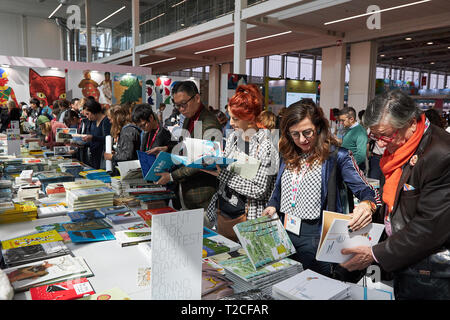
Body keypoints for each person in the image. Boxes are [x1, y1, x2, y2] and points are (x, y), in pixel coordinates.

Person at [340, 90, 450, 300]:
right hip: (404, 259)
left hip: (430, 271)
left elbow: (429, 227)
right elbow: (393, 199)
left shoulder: (442, 154)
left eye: (386, 135)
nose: (380, 144)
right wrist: (369, 205)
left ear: (410, 123)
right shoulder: (401, 149)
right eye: (374, 136)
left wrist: (374, 254)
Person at [262, 100, 380, 278]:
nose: (302, 139)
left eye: (307, 132)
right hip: (285, 234)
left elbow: (367, 190)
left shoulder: (337, 157)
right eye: (295, 134)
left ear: (318, 127)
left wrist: (366, 204)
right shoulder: (287, 154)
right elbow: (279, 189)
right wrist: (272, 204)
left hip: (316, 237)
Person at [204, 84, 279, 241]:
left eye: (235, 118)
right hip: (223, 213)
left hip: (249, 218)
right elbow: (229, 166)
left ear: (250, 118)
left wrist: (222, 174)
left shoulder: (266, 146)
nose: (230, 123)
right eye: (230, 116)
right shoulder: (233, 138)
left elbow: (259, 190)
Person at [155, 81, 222, 228]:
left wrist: (172, 176)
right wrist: (166, 149)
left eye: (183, 104)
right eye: (177, 105)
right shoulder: (190, 119)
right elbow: (185, 148)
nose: (181, 109)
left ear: (197, 98)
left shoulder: (209, 124)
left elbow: (202, 161)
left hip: (202, 196)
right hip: (186, 193)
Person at [338, 106, 369, 213]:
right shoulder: (349, 129)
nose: (341, 123)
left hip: (352, 169)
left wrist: (347, 165)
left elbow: (360, 154)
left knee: (349, 197)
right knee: (346, 197)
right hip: (346, 168)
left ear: (351, 119)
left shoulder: (360, 131)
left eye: (343, 120)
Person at [103, 105, 141, 175]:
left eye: (110, 119)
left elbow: (128, 155)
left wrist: (112, 157)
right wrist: (117, 153)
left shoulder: (127, 131)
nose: (110, 122)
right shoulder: (127, 130)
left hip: (131, 171)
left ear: (116, 118)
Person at [82, 98, 111, 169]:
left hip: (102, 157)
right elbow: (92, 140)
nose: (87, 116)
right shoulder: (92, 122)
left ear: (94, 111)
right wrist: (81, 144)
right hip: (94, 156)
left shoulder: (106, 121)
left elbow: (108, 138)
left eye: (88, 114)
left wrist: (92, 137)